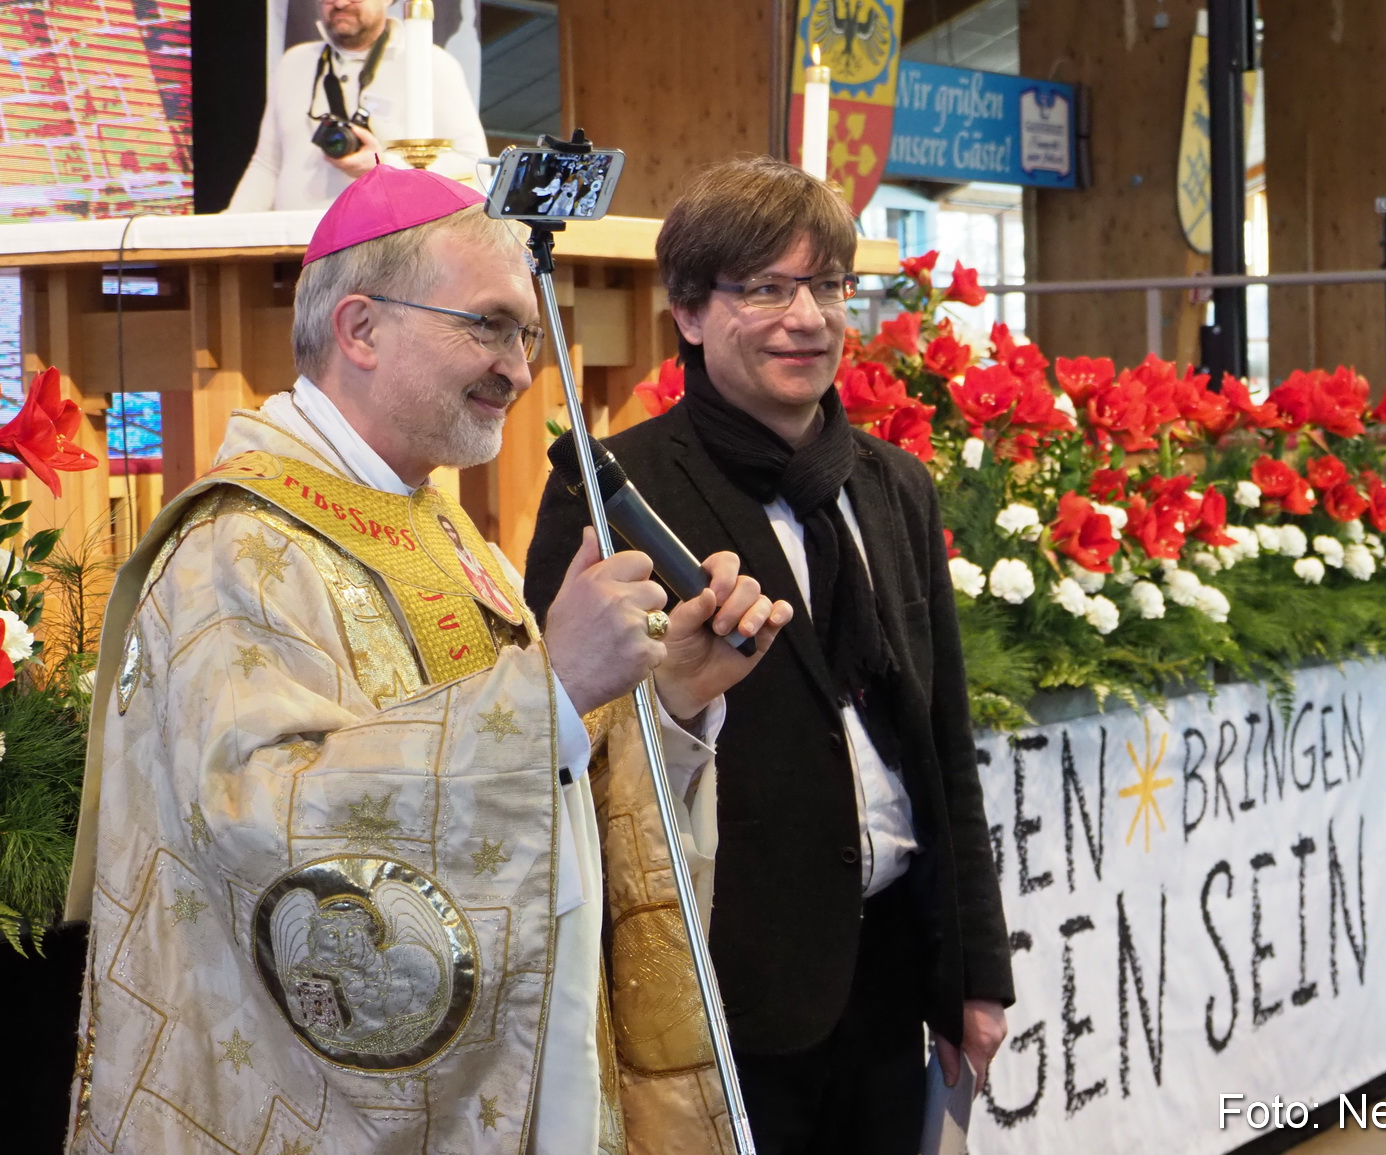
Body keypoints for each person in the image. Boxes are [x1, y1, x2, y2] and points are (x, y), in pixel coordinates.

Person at [65, 163, 792, 1154]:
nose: (519, 366)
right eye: (488, 325)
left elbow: (555, 780)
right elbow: (260, 827)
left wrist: (664, 699)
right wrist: (554, 693)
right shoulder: (237, 544)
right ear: (359, 329)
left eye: (527, 334)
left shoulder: (438, 527)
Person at [524, 156, 1014, 1155]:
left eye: (828, 286)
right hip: (729, 986)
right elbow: (567, 744)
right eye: (766, 289)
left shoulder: (892, 486)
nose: (809, 317)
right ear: (691, 313)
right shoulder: (616, 491)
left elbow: (940, 738)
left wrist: (973, 969)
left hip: (887, 977)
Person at [226, 0, 489, 213]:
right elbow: (267, 165)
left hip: (383, 254)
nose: (340, 4)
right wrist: (227, 229)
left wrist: (385, 165)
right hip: (291, 254)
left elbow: (474, 165)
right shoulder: (294, 62)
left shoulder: (432, 64)